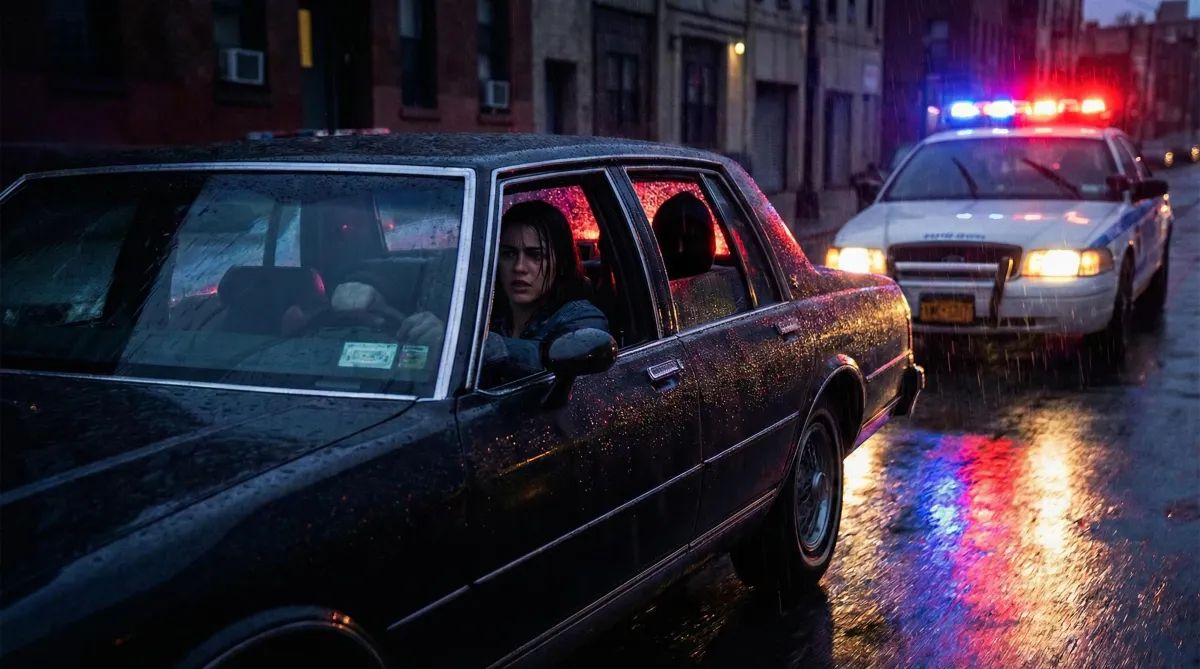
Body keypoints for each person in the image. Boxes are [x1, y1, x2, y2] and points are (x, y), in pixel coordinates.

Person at [325, 199, 608, 385]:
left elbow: (541, 359)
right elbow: (416, 271)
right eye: (508, 254)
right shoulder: (481, 308)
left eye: (535, 256)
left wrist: (459, 342)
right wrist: (369, 288)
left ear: (558, 262)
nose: (520, 267)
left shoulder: (580, 318)